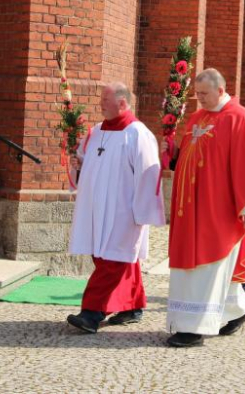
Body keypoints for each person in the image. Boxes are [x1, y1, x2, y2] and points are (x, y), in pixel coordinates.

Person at [165, 69, 245, 348]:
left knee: (208, 267)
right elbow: (191, 156)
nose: (199, 98)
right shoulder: (197, 118)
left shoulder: (239, 118)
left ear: (221, 90)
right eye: (197, 93)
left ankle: (193, 328)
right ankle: (238, 308)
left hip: (218, 210)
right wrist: (172, 153)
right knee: (205, 269)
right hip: (190, 208)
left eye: (204, 94)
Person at [66, 82, 166, 334]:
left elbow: (148, 174)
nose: (100, 104)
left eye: (105, 100)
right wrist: (76, 163)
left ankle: (91, 312)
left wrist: (142, 213)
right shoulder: (96, 132)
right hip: (95, 209)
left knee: (114, 260)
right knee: (114, 259)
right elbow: (84, 161)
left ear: (122, 103)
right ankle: (132, 305)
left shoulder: (137, 134)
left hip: (123, 212)